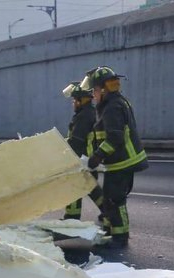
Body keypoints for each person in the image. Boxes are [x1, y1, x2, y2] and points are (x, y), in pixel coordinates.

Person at [82, 66, 149, 249]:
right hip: (120, 161)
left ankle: (120, 238)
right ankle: (113, 232)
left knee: (115, 200)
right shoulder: (115, 102)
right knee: (112, 198)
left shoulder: (112, 107)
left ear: (103, 89)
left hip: (122, 162)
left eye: (94, 90)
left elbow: (115, 137)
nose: (93, 95)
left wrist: (97, 156)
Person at [61, 81, 98, 220]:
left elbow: (76, 140)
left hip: (83, 159)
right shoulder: (90, 112)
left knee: (74, 187)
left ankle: (71, 218)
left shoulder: (83, 116)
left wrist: (63, 151)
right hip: (89, 159)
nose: (73, 103)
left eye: (75, 100)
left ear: (81, 100)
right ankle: (108, 213)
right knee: (92, 189)